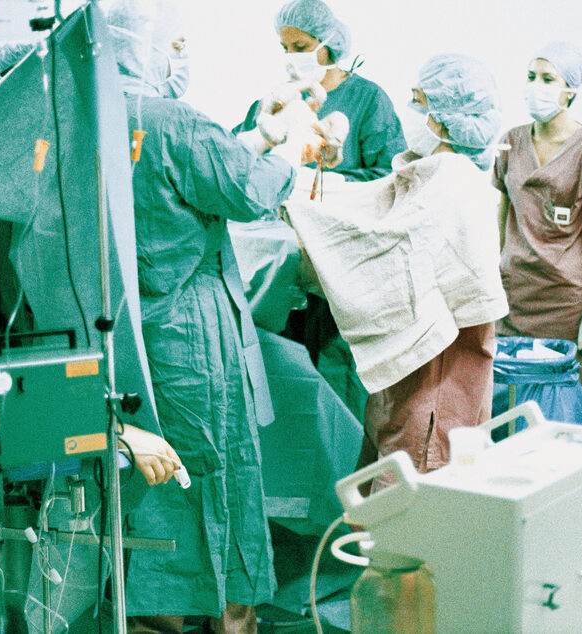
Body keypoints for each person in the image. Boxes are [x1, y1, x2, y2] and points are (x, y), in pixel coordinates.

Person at [104, 1, 314, 631]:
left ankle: (149, 617)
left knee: (143, 485)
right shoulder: (174, 120)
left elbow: (181, 172)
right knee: (209, 474)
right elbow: (246, 193)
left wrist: (257, 137)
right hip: (188, 334)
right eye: (179, 43)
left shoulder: (87, 118)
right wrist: (291, 149)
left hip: (122, 327)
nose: (183, 55)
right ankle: (220, 616)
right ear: (151, 48)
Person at [234, 0, 406, 422]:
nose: (293, 56)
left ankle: (346, 481)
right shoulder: (280, 100)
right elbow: (234, 163)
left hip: (343, 270)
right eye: (285, 46)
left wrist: (331, 181)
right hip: (286, 270)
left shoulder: (368, 100)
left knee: (335, 380)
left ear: (329, 44)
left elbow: (392, 178)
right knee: (288, 379)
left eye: (302, 45)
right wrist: (262, 138)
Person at [353, 54, 508, 490]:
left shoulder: (453, 184)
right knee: (390, 490)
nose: (412, 111)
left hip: (436, 382)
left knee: (408, 510)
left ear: (443, 118)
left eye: (419, 102)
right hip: (416, 380)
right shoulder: (433, 175)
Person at [493, 41, 582, 427]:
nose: (536, 85)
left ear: (571, 91)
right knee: (507, 398)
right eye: (531, 76)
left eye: (548, 78)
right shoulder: (511, 142)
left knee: (572, 400)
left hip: (566, 300)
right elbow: (501, 216)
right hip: (515, 296)